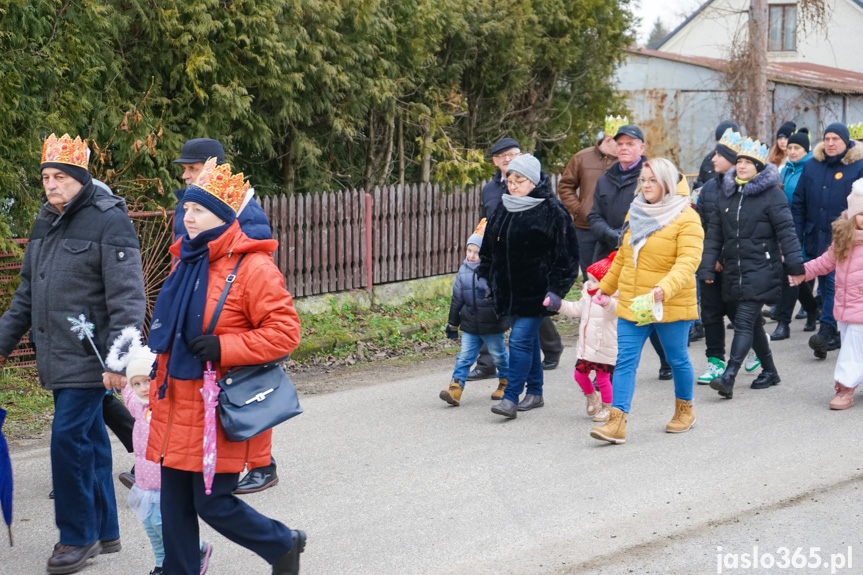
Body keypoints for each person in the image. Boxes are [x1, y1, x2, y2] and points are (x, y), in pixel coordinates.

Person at [146, 158, 306, 575]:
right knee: (174, 501)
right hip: (176, 398)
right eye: (186, 209)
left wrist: (223, 346)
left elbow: (285, 333)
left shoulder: (253, 267)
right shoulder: (187, 261)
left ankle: (282, 544)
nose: (188, 216)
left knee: (212, 501)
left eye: (198, 209)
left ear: (222, 215)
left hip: (216, 407)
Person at [0, 133, 146, 574]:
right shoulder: (45, 220)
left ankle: (76, 538)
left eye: (60, 176)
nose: (51, 184)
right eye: (46, 176)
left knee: (67, 442)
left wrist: (120, 362)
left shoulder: (109, 221)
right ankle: (104, 531)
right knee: (90, 442)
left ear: (80, 179)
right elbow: (27, 293)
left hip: (93, 359)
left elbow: (128, 297)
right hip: (56, 355)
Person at [173, 138, 278, 495]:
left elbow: (251, 260)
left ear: (212, 167)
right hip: (194, 305)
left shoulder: (243, 208)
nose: (185, 174)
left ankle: (263, 464)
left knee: (249, 391)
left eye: (192, 168)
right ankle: (175, 459)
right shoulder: (191, 204)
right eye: (184, 168)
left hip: (232, 314)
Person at [588, 158, 702, 444]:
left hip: (669, 302)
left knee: (676, 359)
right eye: (643, 180)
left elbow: (689, 261)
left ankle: (684, 410)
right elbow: (624, 257)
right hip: (634, 301)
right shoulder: (636, 211)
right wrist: (606, 286)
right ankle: (617, 422)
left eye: (653, 180)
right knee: (625, 361)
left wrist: (665, 287)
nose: (646, 185)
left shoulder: (686, 216)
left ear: (666, 182)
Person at [699, 138, 805, 399]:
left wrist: (794, 265)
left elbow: (786, 231)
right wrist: (706, 268)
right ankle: (770, 371)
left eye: (748, 162)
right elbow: (714, 235)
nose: (742, 166)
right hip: (735, 270)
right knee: (754, 324)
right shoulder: (728, 193)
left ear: (759, 167)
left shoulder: (773, 194)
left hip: (762, 268)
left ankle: (729, 375)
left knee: (744, 321)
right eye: (740, 162)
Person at [478, 154, 579, 419]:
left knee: (520, 341)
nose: (512, 185)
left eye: (519, 180)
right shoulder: (503, 207)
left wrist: (556, 291)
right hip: (506, 292)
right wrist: (488, 277)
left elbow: (567, 258)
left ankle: (511, 397)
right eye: (509, 180)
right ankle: (535, 393)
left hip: (538, 294)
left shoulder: (552, 211)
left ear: (533, 181)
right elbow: (488, 248)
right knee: (529, 343)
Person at [469, 138, 564, 379]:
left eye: (512, 153)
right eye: (501, 156)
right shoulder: (489, 189)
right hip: (500, 256)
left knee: (532, 308)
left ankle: (551, 348)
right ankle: (488, 362)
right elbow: (485, 219)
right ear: (494, 161)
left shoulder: (535, 182)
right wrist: (478, 243)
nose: (507, 159)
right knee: (492, 306)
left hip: (529, 256)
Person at [587, 123, 674, 380]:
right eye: (620, 144)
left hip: (643, 253)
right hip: (608, 252)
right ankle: (609, 367)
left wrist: (627, 235)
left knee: (646, 312)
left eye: (630, 144)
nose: (624, 148)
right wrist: (612, 235)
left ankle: (668, 359)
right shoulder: (606, 178)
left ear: (642, 147)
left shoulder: (652, 175)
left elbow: (660, 213)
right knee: (610, 311)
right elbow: (594, 216)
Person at [120, 344, 214, 575]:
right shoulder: (137, 407)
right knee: (151, 526)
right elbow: (125, 389)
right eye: (137, 383)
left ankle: (194, 550)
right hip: (144, 483)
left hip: (167, 483)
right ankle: (161, 563)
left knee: (166, 526)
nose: (143, 389)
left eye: (147, 381)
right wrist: (119, 374)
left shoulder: (167, 405)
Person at [792, 123, 863, 359]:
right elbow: (799, 202)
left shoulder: (858, 164)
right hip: (816, 234)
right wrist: (796, 235)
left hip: (846, 237)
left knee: (835, 283)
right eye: (827, 138)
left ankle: (826, 331)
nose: (831, 143)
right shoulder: (812, 165)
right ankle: (834, 329)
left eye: (836, 139)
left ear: (846, 141)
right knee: (824, 283)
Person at [790, 183, 863, 409]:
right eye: (861, 213)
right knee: (854, 344)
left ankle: (844, 388)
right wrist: (803, 272)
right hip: (845, 305)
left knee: (853, 348)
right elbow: (826, 262)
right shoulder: (844, 238)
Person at [440, 220, 509, 404]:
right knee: (464, 357)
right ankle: (455, 388)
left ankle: (505, 383)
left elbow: (503, 297)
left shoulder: (494, 271)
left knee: (499, 356)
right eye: (469, 251)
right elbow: (457, 300)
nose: (471, 255)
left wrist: (503, 317)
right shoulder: (463, 271)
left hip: (492, 325)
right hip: (470, 325)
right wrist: (453, 323)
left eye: (476, 252)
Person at [693, 128, 739, 384]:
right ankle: (715, 362)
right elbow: (699, 224)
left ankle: (754, 342)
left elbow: (741, 228)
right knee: (710, 312)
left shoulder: (743, 188)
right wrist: (708, 257)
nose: (713, 159)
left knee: (735, 310)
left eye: (719, 155)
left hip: (734, 262)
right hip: (708, 259)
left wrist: (723, 256)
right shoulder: (709, 187)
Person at [553, 252, 618, 423]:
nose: (589, 283)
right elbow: (575, 309)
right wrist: (558, 304)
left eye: (594, 280)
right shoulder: (587, 297)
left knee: (603, 380)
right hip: (586, 347)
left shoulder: (614, 298)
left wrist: (606, 302)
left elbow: (614, 312)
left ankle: (607, 407)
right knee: (579, 375)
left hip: (604, 346)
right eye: (588, 279)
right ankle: (592, 396)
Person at [771, 128, 819, 340]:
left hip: (802, 228)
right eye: (789, 147)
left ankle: (783, 323)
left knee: (792, 271)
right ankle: (812, 309)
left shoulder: (811, 169)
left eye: (797, 148)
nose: (792, 151)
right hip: (784, 226)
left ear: (806, 150)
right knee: (794, 272)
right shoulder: (785, 170)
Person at [557, 117, 618, 280]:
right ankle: (589, 305)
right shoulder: (582, 157)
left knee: (613, 277)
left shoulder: (627, 162)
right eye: (620, 144)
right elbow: (565, 186)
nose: (623, 149)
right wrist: (579, 210)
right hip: (585, 228)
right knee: (589, 276)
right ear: (608, 139)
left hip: (615, 229)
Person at [693, 120, 739, 189]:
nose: (713, 159)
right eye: (719, 143)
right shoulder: (709, 159)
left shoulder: (742, 159)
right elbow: (701, 179)